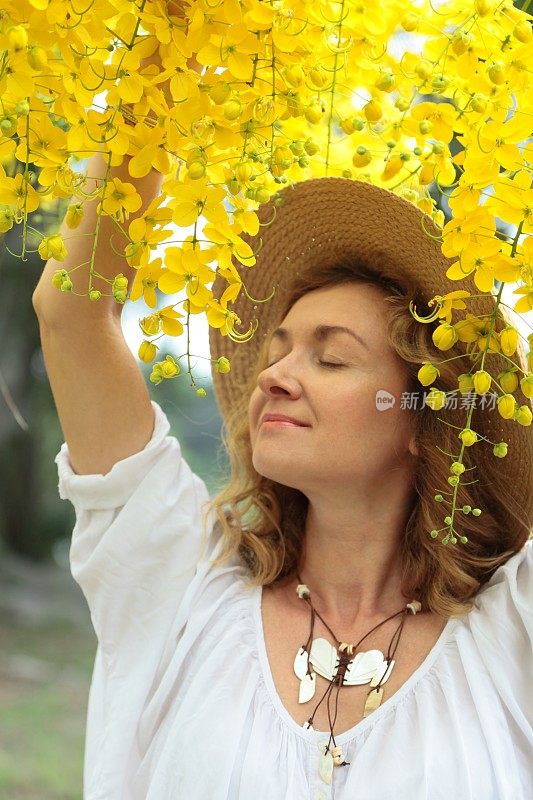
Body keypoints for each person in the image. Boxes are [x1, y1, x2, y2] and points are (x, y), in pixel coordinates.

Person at [33, 160, 533, 798]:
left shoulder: (511, 626)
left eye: (331, 358)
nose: (275, 377)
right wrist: (152, 84)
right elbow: (70, 314)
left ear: (419, 419)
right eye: (275, 353)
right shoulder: (184, 583)